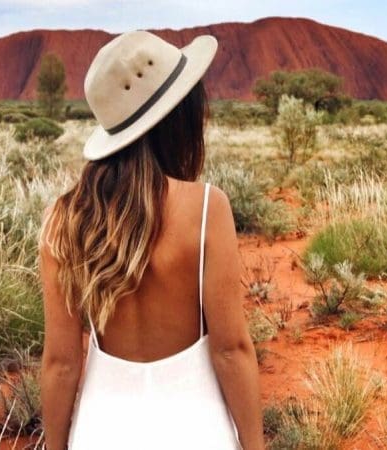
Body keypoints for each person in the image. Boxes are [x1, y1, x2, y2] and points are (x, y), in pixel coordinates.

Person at [39, 30, 264, 450]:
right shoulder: (206, 208)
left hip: (102, 432)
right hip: (198, 431)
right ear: (178, 116)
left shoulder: (64, 218)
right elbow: (231, 350)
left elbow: (60, 365)